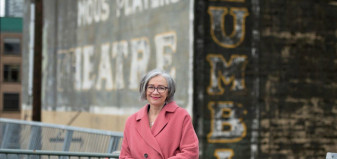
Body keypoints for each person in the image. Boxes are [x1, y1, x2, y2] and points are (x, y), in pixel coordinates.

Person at [119, 69, 199, 159]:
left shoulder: (181, 116)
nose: (155, 92)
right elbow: (124, 156)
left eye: (161, 88)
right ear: (145, 90)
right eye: (151, 87)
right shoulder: (132, 121)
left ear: (169, 92)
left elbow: (191, 153)